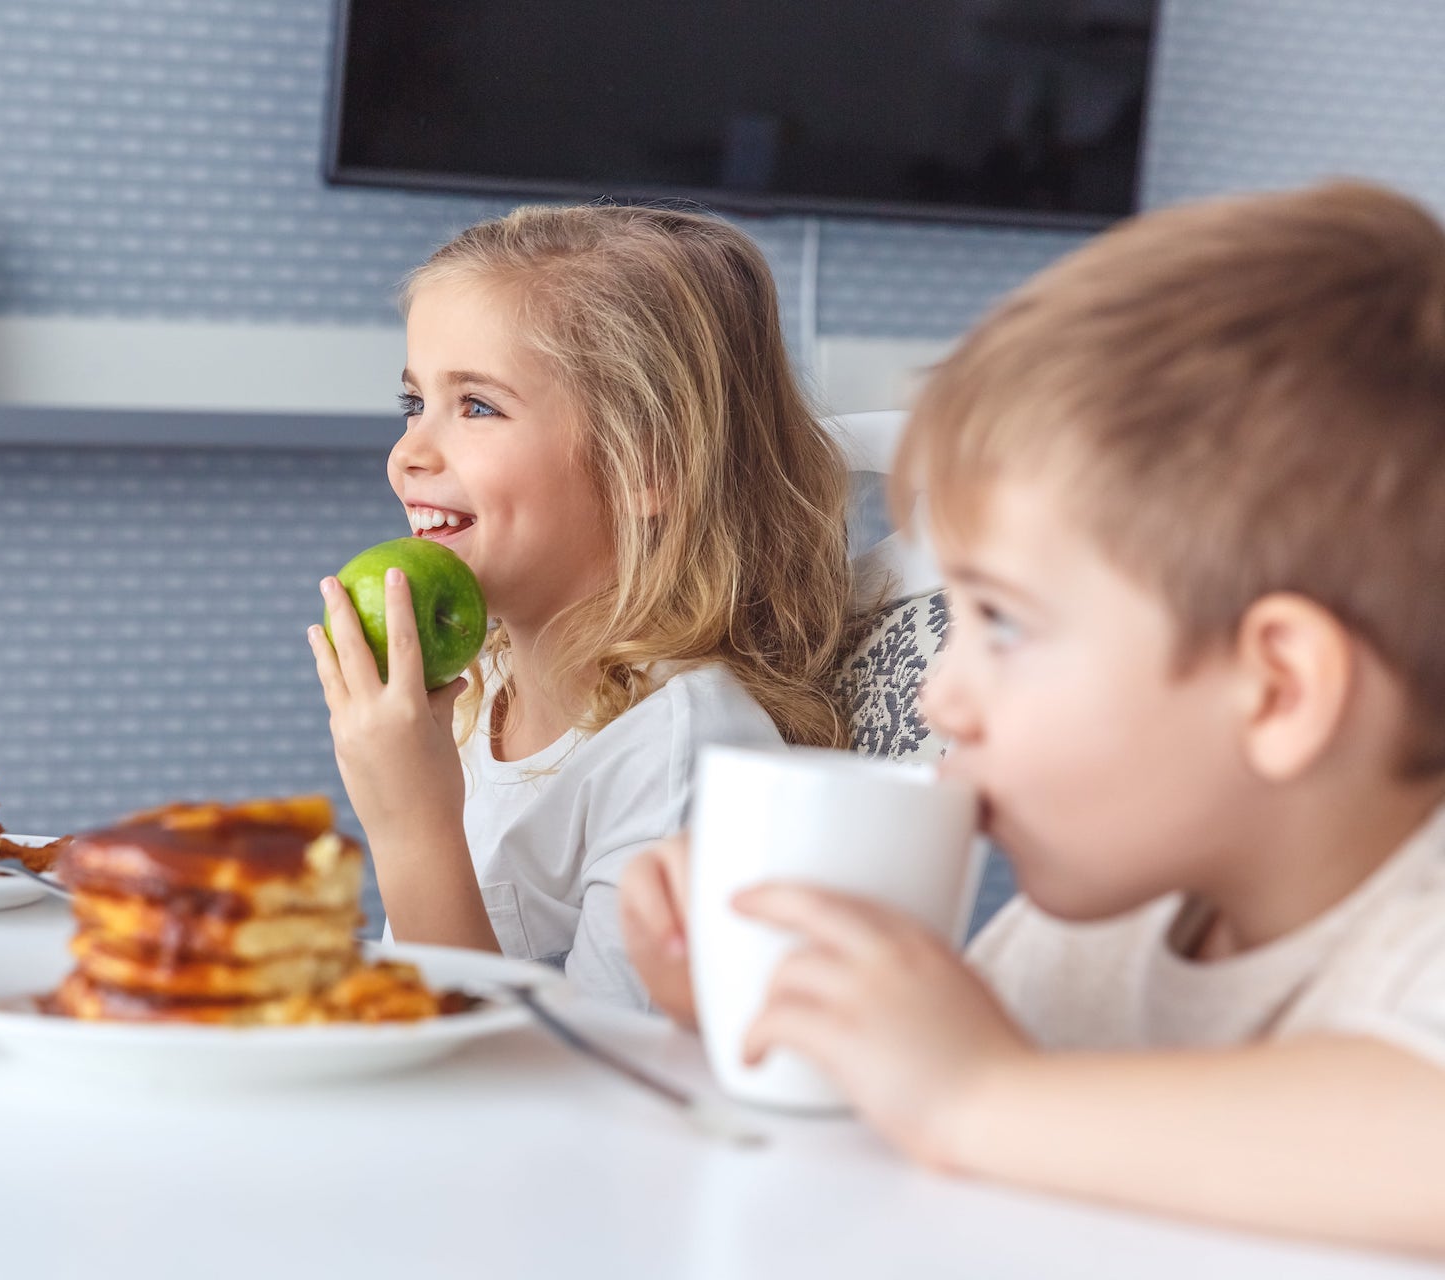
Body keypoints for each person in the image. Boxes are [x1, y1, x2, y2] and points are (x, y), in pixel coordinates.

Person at [618, 181, 1445, 1254]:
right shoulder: (1080, 930)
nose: (940, 693)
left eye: (1001, 621)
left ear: (1279, 689)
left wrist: (978, 1091)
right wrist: (774, 1011)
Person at [309, 204, 855, 1009]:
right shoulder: (479, 685)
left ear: (646, 464)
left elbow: (581, 1094)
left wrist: (411, 828)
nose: (408, 454)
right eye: (412, 404)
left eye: (478, 407)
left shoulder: (683, 755)